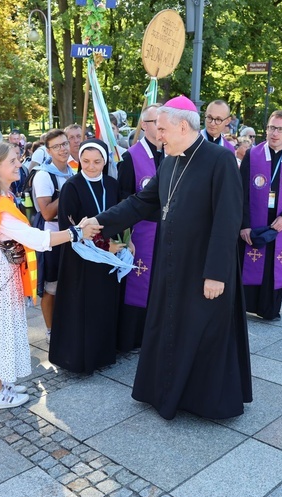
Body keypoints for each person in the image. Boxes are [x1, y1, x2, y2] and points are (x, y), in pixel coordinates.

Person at [80, 96, 252, 420]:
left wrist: (216, 273)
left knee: (202, 333)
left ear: (182, 126)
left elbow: (227, 220)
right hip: (172, 265)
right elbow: (140, 203)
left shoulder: (220, 160)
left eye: (161, 128)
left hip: (204, 268)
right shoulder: (169, 161)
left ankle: (202, 403)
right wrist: (100, 221)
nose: (157, 135)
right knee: (171, 327)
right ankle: (164, 392)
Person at [0, 141, 97, 409]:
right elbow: (36, 239)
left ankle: (0, 385)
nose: (19, 164)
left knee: (1, 333)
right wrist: (75, 233)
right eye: (12, 161)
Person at [49, 139, 130, 374]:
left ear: (105, 162)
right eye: (85, 161)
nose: (91, 166)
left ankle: (102, 355)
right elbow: (69, 226)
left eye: (97, 162)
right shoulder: (72, 186)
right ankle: (78, 360)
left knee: (104, 306)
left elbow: (122, 218)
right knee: (82, 307)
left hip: (108, 257)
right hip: (81, 260)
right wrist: (105, 245)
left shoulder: (112, 185)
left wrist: (125, 241)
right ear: (79, 161)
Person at [239, 111, 282, 321]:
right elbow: (241, 192)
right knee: (249, 262)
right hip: (254, 223)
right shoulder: (253, 154)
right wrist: (244, 225)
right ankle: (245, 306)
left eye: (280, 129)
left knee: (273, 267)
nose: (274, 133)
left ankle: (269, 309)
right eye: (271, 127)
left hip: (278, 225)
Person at [115, 104, 163, 351]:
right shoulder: (130, 157)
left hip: (166, 233)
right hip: (141, 233)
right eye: (157, 121)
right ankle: (134, 337)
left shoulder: (172, 153)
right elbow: (123, 199)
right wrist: (127, 236)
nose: (162, 126)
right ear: (144, 125)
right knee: (138, 281)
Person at [32, 129, 75, 343]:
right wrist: (69, 188)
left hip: (73, 236)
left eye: (65, 144)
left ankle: (66, 324)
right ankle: (50, 331)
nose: (63, 149)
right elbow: (47, 212)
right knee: (51, 288)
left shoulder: (74, 170)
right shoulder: (43, 175)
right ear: (48, 150)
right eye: (57, 146)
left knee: (68, 285)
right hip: (52, 239)